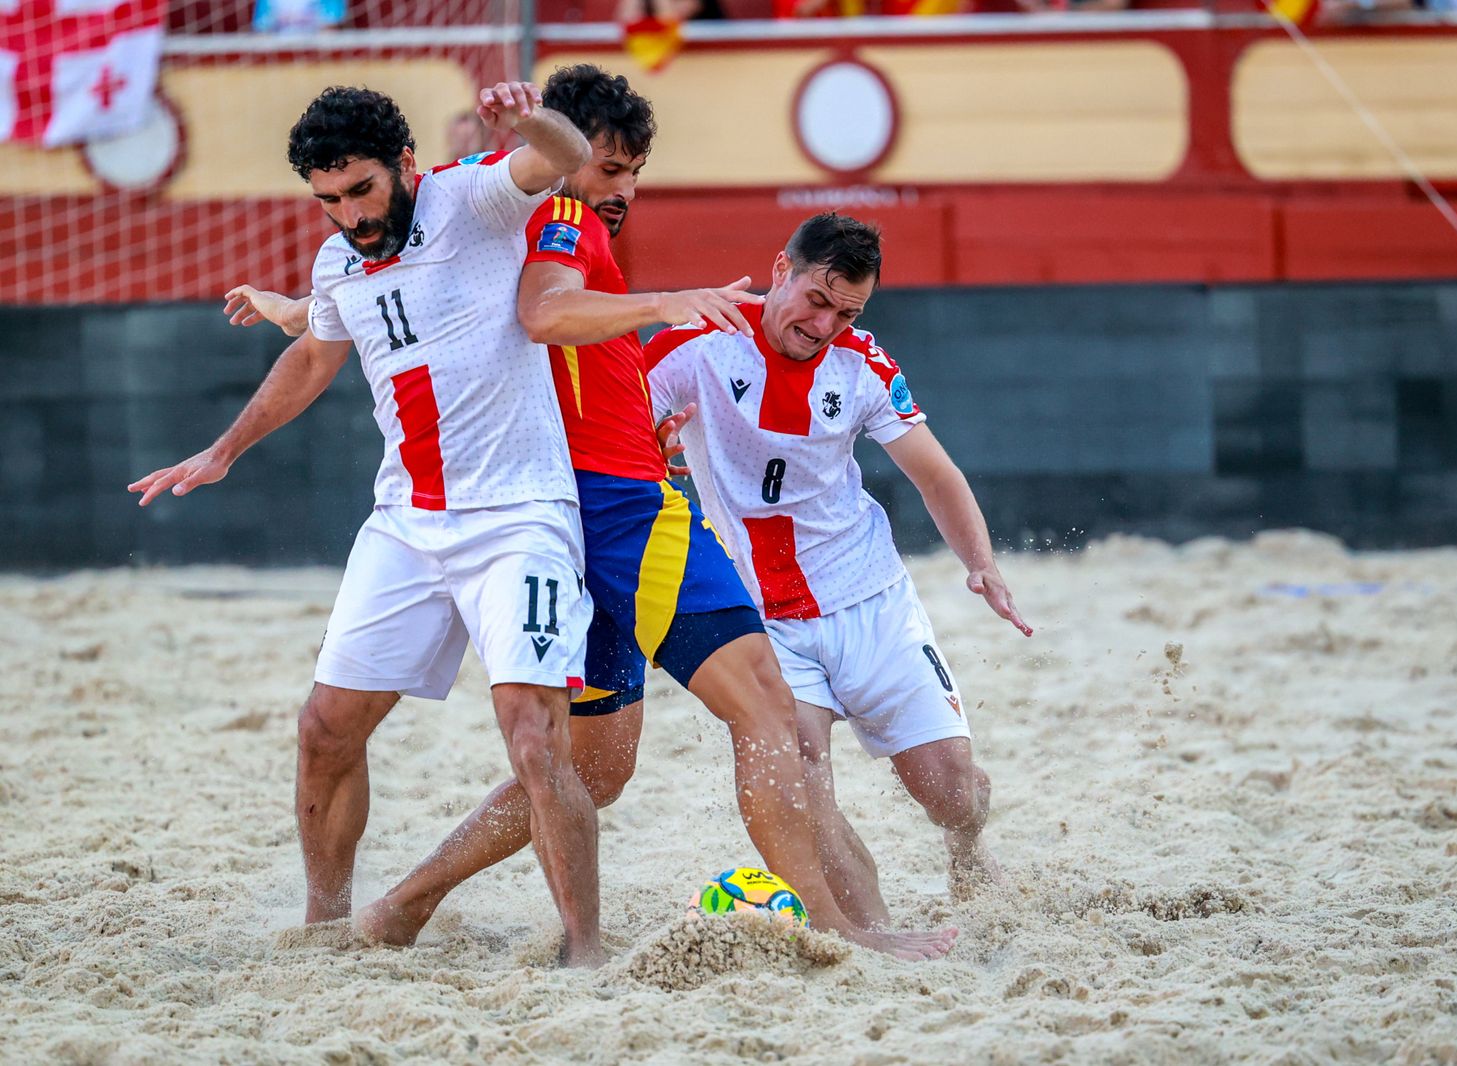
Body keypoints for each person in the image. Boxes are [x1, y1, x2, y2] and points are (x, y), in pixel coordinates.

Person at [224, 65, 957, 962]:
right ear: (565, 158)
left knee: (589, 769)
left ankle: (401, 904)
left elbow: (383, 292)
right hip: (614, 505)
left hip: (553, 508)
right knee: (764, 710)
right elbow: (545, 311)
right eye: (610, 167)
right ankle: (846, 933)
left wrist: (293, 311)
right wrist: (662, 304)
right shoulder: (556, 213)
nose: (623, 191)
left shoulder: (477, 224)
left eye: (633, 171)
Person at [127, 82, 617, 965]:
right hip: (407, 521)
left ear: (405, 165)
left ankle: (583, 953)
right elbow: (313, 353)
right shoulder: (336, 263)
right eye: (328, 200)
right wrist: (224, 450)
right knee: (323, 729)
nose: (349, 216)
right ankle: (326, 928)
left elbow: (567, 156)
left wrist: (525, 119)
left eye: (360, 191)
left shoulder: (474, 198)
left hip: (520, 516)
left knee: (537, 739)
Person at [645, 212, 1031, 916]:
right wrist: (652, 449)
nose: (824, 324)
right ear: (779, 270)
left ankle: (968, 850)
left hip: (868, 595)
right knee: (801, 776)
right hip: (761, 612)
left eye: (845, 311)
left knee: (953, 794)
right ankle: (873, 935)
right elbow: (620, 439)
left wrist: (982, 563)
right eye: (816, 300)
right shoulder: (694, 344)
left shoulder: (864, 365)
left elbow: (936, 476)